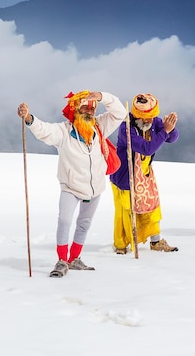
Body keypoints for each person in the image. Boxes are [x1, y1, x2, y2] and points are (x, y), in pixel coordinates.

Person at [18, 91, 126, 277]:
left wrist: (102, 96)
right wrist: (29, 118)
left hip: (96, 187)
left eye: (92, 108)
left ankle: (74, 259)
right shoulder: (64, 131)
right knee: (65, 220)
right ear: (75, 109)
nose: (89, 112)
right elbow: (44, 130)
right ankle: (62, 260)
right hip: (71, 186)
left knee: (84, 223)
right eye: (84, 107)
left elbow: (120, 113)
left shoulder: (99, 127)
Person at [110, 94, 179, 254]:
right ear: (136, 115)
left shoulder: (154, 122)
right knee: (126, 211)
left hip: (145, 174)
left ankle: (156, 242)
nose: (149, 121)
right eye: (145, 118)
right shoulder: (126, 127)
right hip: (125, 176)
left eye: (151, 117)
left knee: (151, 207)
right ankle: (120, 245)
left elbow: (171, 138)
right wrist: (164, 132)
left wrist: (171, 128)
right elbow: (147, 148)